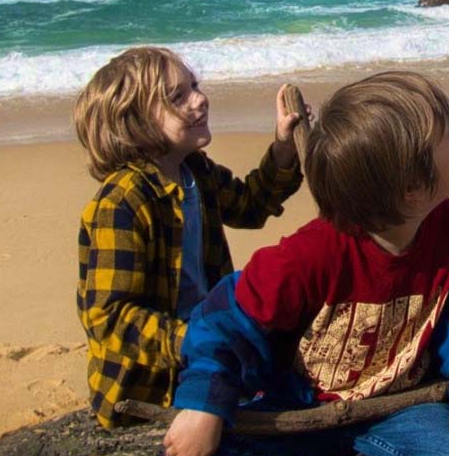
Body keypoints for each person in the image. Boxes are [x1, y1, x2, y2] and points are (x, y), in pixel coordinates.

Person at [161, 71, 449, 456]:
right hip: (300, 409)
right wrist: (204, 405)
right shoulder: (311, 257)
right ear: (411, 191)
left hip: (406, 411)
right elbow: (222, 319)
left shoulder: (448, 238)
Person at [74, 45, 303, 429]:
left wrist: (283, 148)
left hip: (203, 342)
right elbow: (108, 318)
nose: (199, 99)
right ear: (133, 122)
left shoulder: (194, 171)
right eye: (177, 96)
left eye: (193, 85)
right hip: (150, 383)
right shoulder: (123, 202)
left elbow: (250, 205)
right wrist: (191, 338)